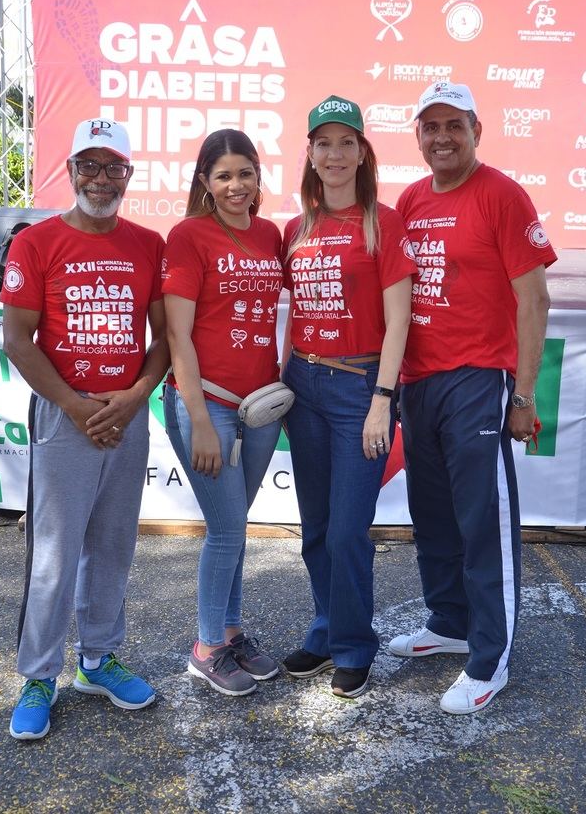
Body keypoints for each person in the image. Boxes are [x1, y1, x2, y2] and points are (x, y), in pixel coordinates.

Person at [390, 81, 557, 714]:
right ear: (419, 138)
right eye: (430, 127)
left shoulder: (503, 195)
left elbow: (534, 299)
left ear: (476, 130)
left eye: (453, 125)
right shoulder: (409, 199)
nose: (441, 138)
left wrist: (524, 392)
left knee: (483, 522)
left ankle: (491, 659)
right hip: (418, 380)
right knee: (432, 515)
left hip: (478, 378)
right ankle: (451, 622)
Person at [1, 118, 169, 740]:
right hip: (66, 417)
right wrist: (76, 406)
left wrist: (133, 399)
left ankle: (97, 660)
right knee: (54, 555)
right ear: (70, 172)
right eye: (88, 167)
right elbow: (18, 342)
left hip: (124, 415)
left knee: (114, 546)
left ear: (128, 174)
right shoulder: (37, 243)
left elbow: (165, 338)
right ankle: (40, 675)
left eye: (112, 168)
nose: (101, 180)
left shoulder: (148, 243)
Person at [281, 95, 415, 699]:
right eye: (323, 143)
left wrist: (382, 399)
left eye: (346, 142)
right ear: (309, 153)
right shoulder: (296, 228)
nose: (334, 154)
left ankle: (356, 646)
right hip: (302, 385)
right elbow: (284, 311)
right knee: (313, 528)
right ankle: (328, 626)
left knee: (346, 530)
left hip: (360, 387)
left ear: (363, 152)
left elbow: (399, 321)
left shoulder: (384, 223)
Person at [162, 129, 284, 697]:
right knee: (228, 529)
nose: (236, 185)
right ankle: (206, 647)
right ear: (205, 183)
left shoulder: (270, 234)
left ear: (259, 176)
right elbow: (177, 334)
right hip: (204, 402)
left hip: (259, 406)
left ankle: (230, 632)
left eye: (245, 173)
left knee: (233, 528)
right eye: (224, 175)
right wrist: (200, 418)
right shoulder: (188, 237)